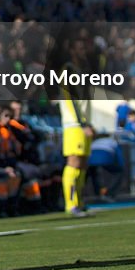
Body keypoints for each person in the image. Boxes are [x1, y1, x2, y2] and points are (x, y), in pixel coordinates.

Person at [59, 77, 94, 217]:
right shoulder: (69, 70)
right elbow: (71, 100)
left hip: (81, 124)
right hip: (74, 125)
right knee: (74, 161)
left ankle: (79, 202)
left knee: (83, 163)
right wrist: (82, 123)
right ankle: (71, 204)